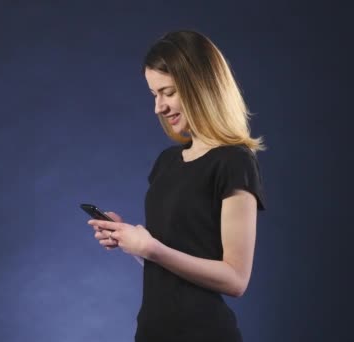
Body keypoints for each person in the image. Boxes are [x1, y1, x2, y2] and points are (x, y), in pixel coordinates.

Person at [87, 30, 266, 342]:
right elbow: (171, 263)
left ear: (200, 87)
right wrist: (132, 242)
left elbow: (236, 279)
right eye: (154, 95)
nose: (159, 107)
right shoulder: (166, 163)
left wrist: (151, 248)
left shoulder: (234, 162)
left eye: (167, 92)